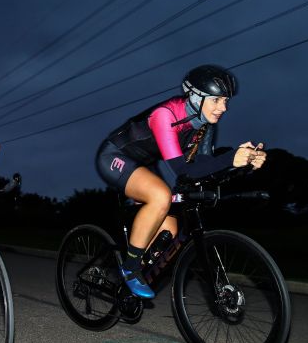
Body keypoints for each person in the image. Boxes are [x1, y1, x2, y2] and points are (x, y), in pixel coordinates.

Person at [95, 64, 266, 299]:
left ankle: (126, 269)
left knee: (170, 229)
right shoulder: (165, 115)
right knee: (160, 196)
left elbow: (202, 169)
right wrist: (230, 158)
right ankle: (130, 268)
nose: (223, 108)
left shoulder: (204, 126)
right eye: (217, 100)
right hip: (115, 156)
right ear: (195, 96)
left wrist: (243, 165)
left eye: (226, 101)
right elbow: (183, 169)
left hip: (146, 164)